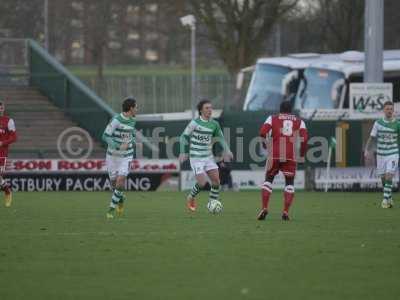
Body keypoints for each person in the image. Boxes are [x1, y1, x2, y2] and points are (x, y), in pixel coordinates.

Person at [257, 101, 308, 221]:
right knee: (289, 183)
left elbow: (262, 133)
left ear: (280, 109)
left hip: (274, 154)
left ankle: (264, 208)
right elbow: (305, 139)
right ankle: (285, 211)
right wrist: (301, 154)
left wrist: (264, 145)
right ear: (291, 110)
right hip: (290, 155)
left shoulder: (272, 118)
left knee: (268, 180)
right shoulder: (300, 121)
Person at [179, 99, 233, 212]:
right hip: (196, 158)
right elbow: (183, 137)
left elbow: (221, 138)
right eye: (207, 108)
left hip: (208, 157)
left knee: (216, 181)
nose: (210, 110)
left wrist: (227, 150)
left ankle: (212, 203)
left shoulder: (215, 124)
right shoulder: (195, 123)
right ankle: (191, 197)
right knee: (202, 183)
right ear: (201, 110)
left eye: (210, 108)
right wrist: (183, 151)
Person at [102, 97, 137, 219]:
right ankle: (120, 197)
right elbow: (105, 136)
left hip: (126, 156)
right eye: (136, 107)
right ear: (131, 108)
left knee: (120, 180)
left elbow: (131, 134)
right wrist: (118, 146)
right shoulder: (116, 120)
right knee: (114, 183)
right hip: (112, 156)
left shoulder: (133, 120)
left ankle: (110, 210)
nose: (137, 109)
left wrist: (132, 140)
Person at [364, 101, 400, 208]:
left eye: (391, 109)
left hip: (393, 153)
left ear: (393, 110)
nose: (389, 111)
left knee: (389, 175)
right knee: (383, 178)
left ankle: (384, 201)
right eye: (387, 109)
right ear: (384, 110)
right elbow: (371, 137)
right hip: (380, 154)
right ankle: (389, 197)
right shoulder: (378, 123)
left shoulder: (398, 124)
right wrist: (366, 150)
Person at [0, 100, 17, 207]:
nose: (0, 108)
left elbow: (14, 137)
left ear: (3, 108)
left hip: (2, 153)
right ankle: (7, 190)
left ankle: (7, 190)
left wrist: (2, 143)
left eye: (1, 107)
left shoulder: (8, 121)